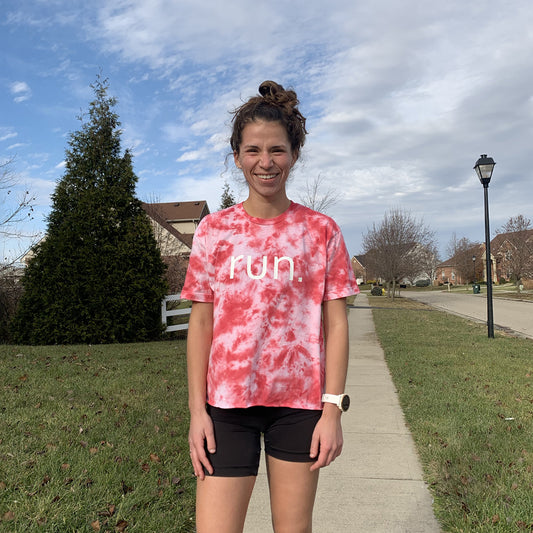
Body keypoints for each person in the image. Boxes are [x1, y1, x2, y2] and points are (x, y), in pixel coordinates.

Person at [181, 80, 359, 533]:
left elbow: (335, 325)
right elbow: (201, 323)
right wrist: (196, 411)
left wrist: (332, 410)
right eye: (253, 151)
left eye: (277, 150)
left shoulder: (321, 231)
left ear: (294, 154)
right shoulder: (213, 232)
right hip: (226, 405)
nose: (266, 162)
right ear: (237, 156)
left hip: (298, 407)